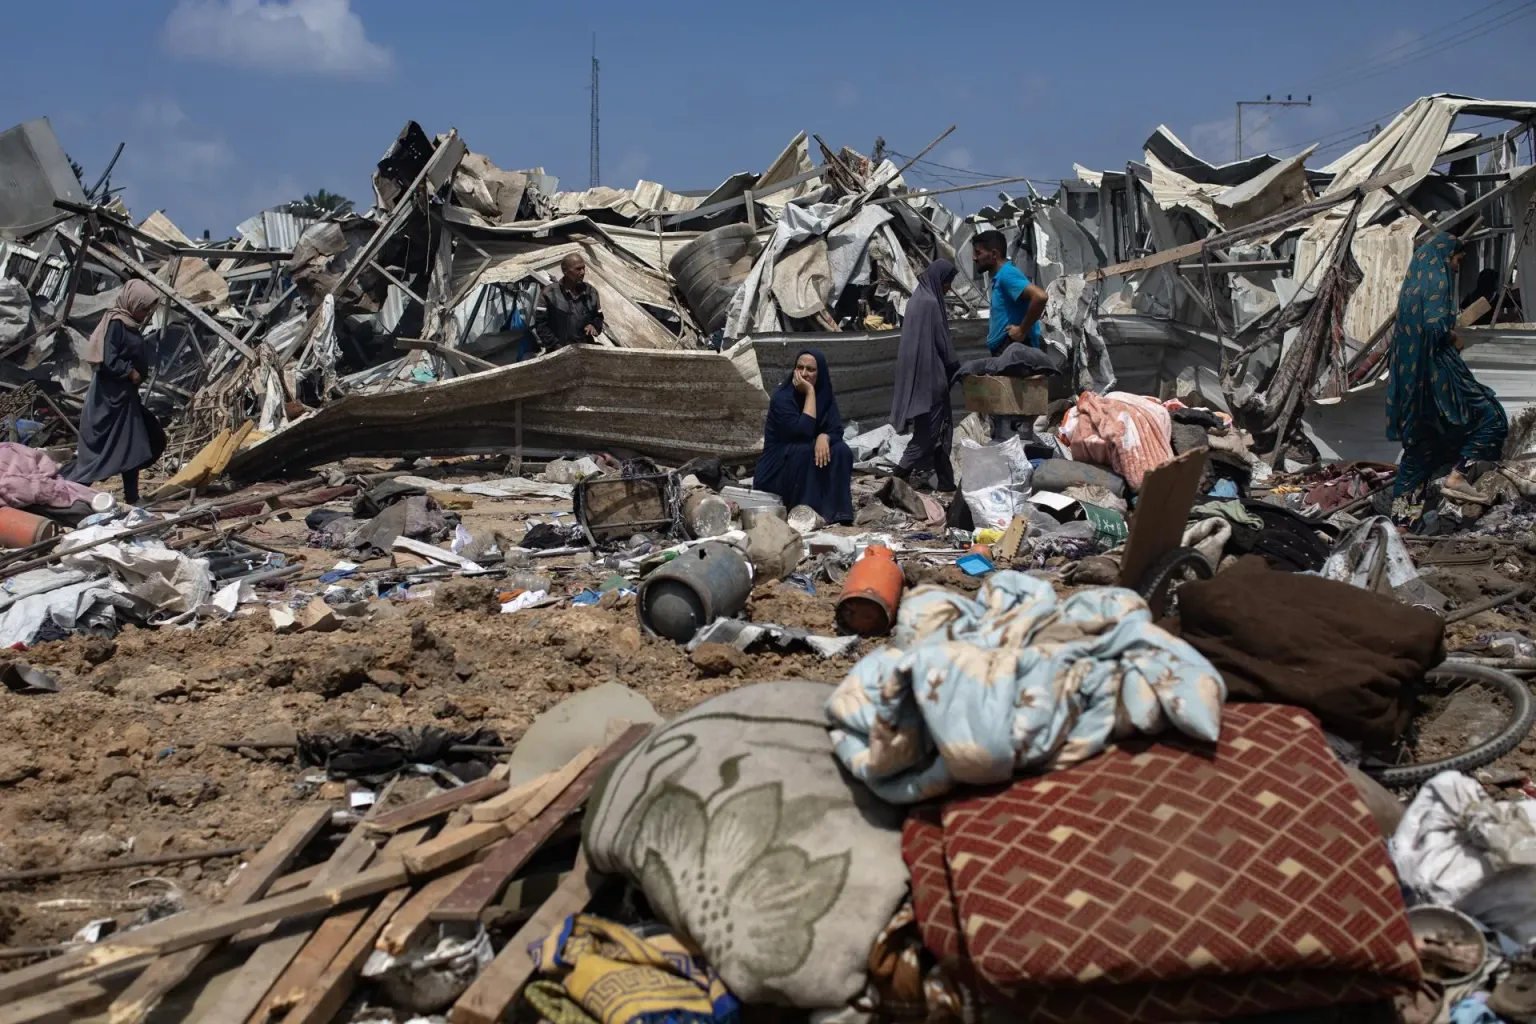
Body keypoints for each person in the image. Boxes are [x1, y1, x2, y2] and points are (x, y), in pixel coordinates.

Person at [1386, 232, 1507, 502]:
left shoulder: (1414, 286)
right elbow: (1434, 325)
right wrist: (1453, 337)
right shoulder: (1437, 282)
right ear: (1446, 256)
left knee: (1421, 451)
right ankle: (1458, 476)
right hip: (1438, 373)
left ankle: (1402, 522)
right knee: (1492, 419)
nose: (1456, 268)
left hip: (1414, 381)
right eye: (1457, 261)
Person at [63, 280, 167, 506]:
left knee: (136, 445)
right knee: (102, 454)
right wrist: (130, 372)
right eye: (144, 309)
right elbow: (108, 360)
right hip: (109, 400)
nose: (146, 314)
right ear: (133, 303)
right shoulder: (116, 324)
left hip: (125, 399)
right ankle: (71, 495)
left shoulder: (130, 325)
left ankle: (132, 497)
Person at [756, 349, 854, 524]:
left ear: (819, 373)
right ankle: (804, 513)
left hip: (807, 458)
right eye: (799, 367)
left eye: (810, 369)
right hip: (777, 466)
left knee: (841, 450)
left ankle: (838, 513)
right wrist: (809, 392)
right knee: (805, 449)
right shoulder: (782, 397)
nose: (803, 373)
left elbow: (836, 430)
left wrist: (825, 436)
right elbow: (803, 432)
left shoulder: (825, 395)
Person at [889, 258, 959, 491]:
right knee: (927, 434)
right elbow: (944, 344)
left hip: (919, 378)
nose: (948, 288)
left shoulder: (916, 299)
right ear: (940, 279)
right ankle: (897, 478)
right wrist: (958, 369)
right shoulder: (930, 303)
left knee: (938, 430)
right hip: (932, 381)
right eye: (948, 282)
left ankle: (946, 482)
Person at [972, 230, 1047, 355]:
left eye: (978, 253)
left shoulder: (1007, 274)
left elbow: (1040, 297)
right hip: (1007, 350)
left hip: (1014, 350)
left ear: (994, 254)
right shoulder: (1000, 276)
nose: (974, 258)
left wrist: (1022, 330)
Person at [533, 253, 604, 351]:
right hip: (558, 350)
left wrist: (594, 325)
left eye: (583, 268)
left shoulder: (591, 292)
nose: (583, 272)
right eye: (578, 269)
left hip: (584, 349)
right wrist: (557, 347)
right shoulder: (549, 293)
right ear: (565, 271)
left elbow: (599, 317)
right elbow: (541, 325)